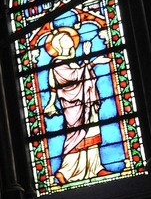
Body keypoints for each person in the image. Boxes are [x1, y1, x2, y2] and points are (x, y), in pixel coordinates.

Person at [40, 26, 111, 186]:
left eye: (69, 38)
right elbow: (72, 78)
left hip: (86, 102)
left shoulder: (71, 61)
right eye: (65, 39)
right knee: (76, 135)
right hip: (73, 105)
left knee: (91, 131)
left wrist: (86, 59)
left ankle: (95, 167)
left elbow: (82, 74)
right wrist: (92, 62)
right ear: (58, 45)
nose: (70, 40)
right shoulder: (57, 63)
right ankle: (65, 171)